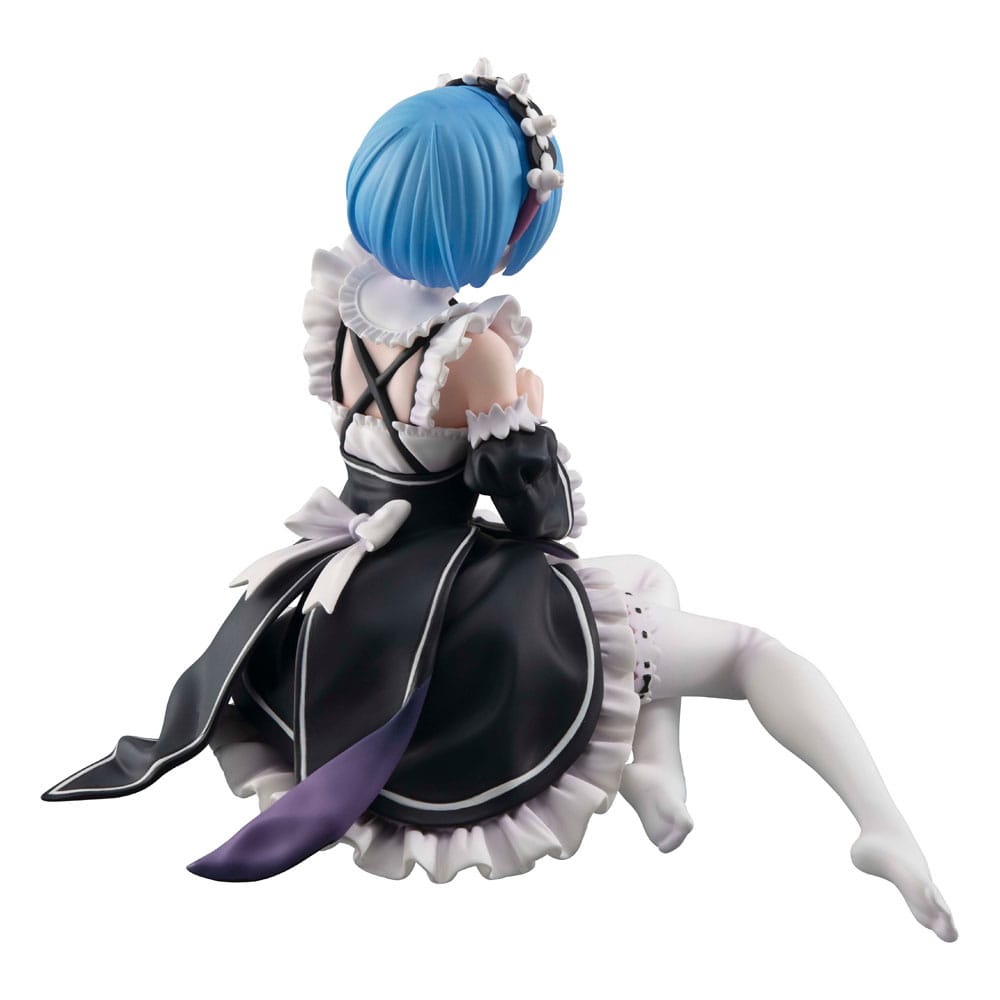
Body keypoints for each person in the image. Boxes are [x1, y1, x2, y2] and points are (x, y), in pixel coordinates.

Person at [42, 61, 956, 942]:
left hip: (353, 584)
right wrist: (530, 413)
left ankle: (656, 771)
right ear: (495, 220)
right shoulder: (473, 351)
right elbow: (542, 521)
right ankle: (881, 828)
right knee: (755, 652)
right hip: (454, 612)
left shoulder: (347, 300)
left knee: (650, 577)